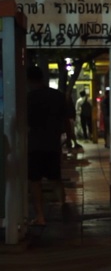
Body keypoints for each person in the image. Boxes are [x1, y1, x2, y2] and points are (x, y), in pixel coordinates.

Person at [26, 65, 67, 226]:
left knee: (35, 181)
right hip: (52, 143)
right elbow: (65, 121)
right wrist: (69, 139)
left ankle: (40, 216)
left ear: (29, 80)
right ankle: (64, 206)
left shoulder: (28, 98)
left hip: (34, 144)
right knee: (56, 178)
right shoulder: (57, 96)